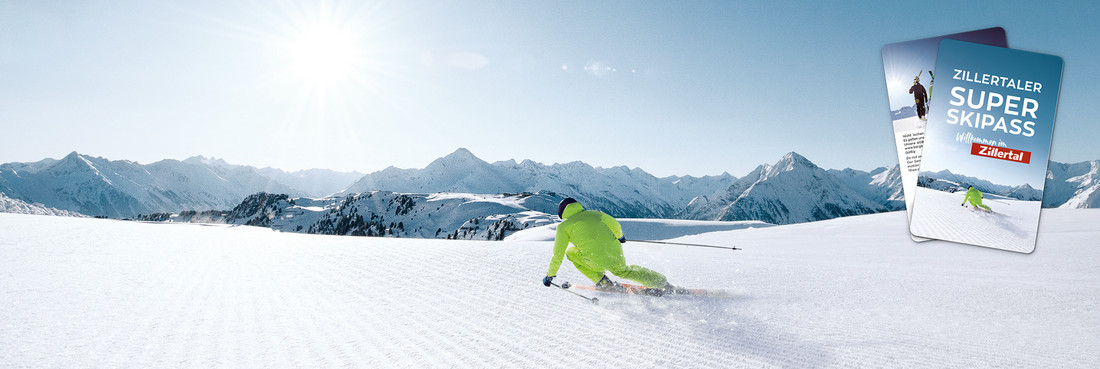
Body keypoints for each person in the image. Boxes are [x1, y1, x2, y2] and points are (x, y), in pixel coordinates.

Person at [542, 198, 674, 295]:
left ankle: (603, 282)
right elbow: (615, 225)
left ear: (562, 213)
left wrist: (550, 275)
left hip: (594, 260)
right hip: (616, 254)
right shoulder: (596, 214)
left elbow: (558, 254)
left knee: (570, 253)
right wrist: (620, 236)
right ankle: (661, 282)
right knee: (625, 271)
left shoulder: (563, 227)